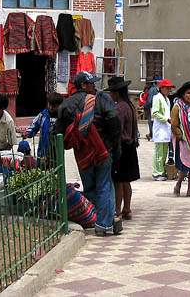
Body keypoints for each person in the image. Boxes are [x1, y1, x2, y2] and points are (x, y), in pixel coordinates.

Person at [55, 71, 122, 237]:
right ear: (83, 85)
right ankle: (105, 223)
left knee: (90, 187)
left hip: (82, 154)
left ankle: (100, 218)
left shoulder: (66, 104)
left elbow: (58, 132)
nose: (94, 86)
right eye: (91, 83)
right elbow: (114, 120)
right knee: (105, 185)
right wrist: (112, 144)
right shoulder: (101, 99)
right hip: (102, 150)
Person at [106, 76, 140, 220]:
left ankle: (117, 210)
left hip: (122, 147)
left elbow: (116, 129)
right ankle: (127, 208)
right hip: (130, 145)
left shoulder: (119, 108)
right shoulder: (130, 106)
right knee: (126, 181)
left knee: (118, 180)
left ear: (117, 92)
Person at [24, 92, 63, 163]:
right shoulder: (42, 115)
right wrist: (28, 133)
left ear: (59, 105)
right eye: (49, 105)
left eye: (54, 106)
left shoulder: (62, 117)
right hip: (42, 151)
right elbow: (34, 126)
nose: (51, 107)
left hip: (57, 152)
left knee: (57, 170)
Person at [151, 78, 175, 181]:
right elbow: (155, 113)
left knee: (164, 153)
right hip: (160, 129)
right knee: (159, 153)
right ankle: (157, 172)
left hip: (166, 129)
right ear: (162, 88)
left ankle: (162, 170)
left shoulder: (167, 99)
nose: (169, 90)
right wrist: (166, 119)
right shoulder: (157, 98)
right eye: (168, 88)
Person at [142, 75, 160, 141]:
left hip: (153, 108)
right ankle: (152, 135)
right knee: (151, 122)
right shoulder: (153, 89)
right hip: (151, 108)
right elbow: (149, 100)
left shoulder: (155, 89)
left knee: (153, 122)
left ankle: (152, 135)